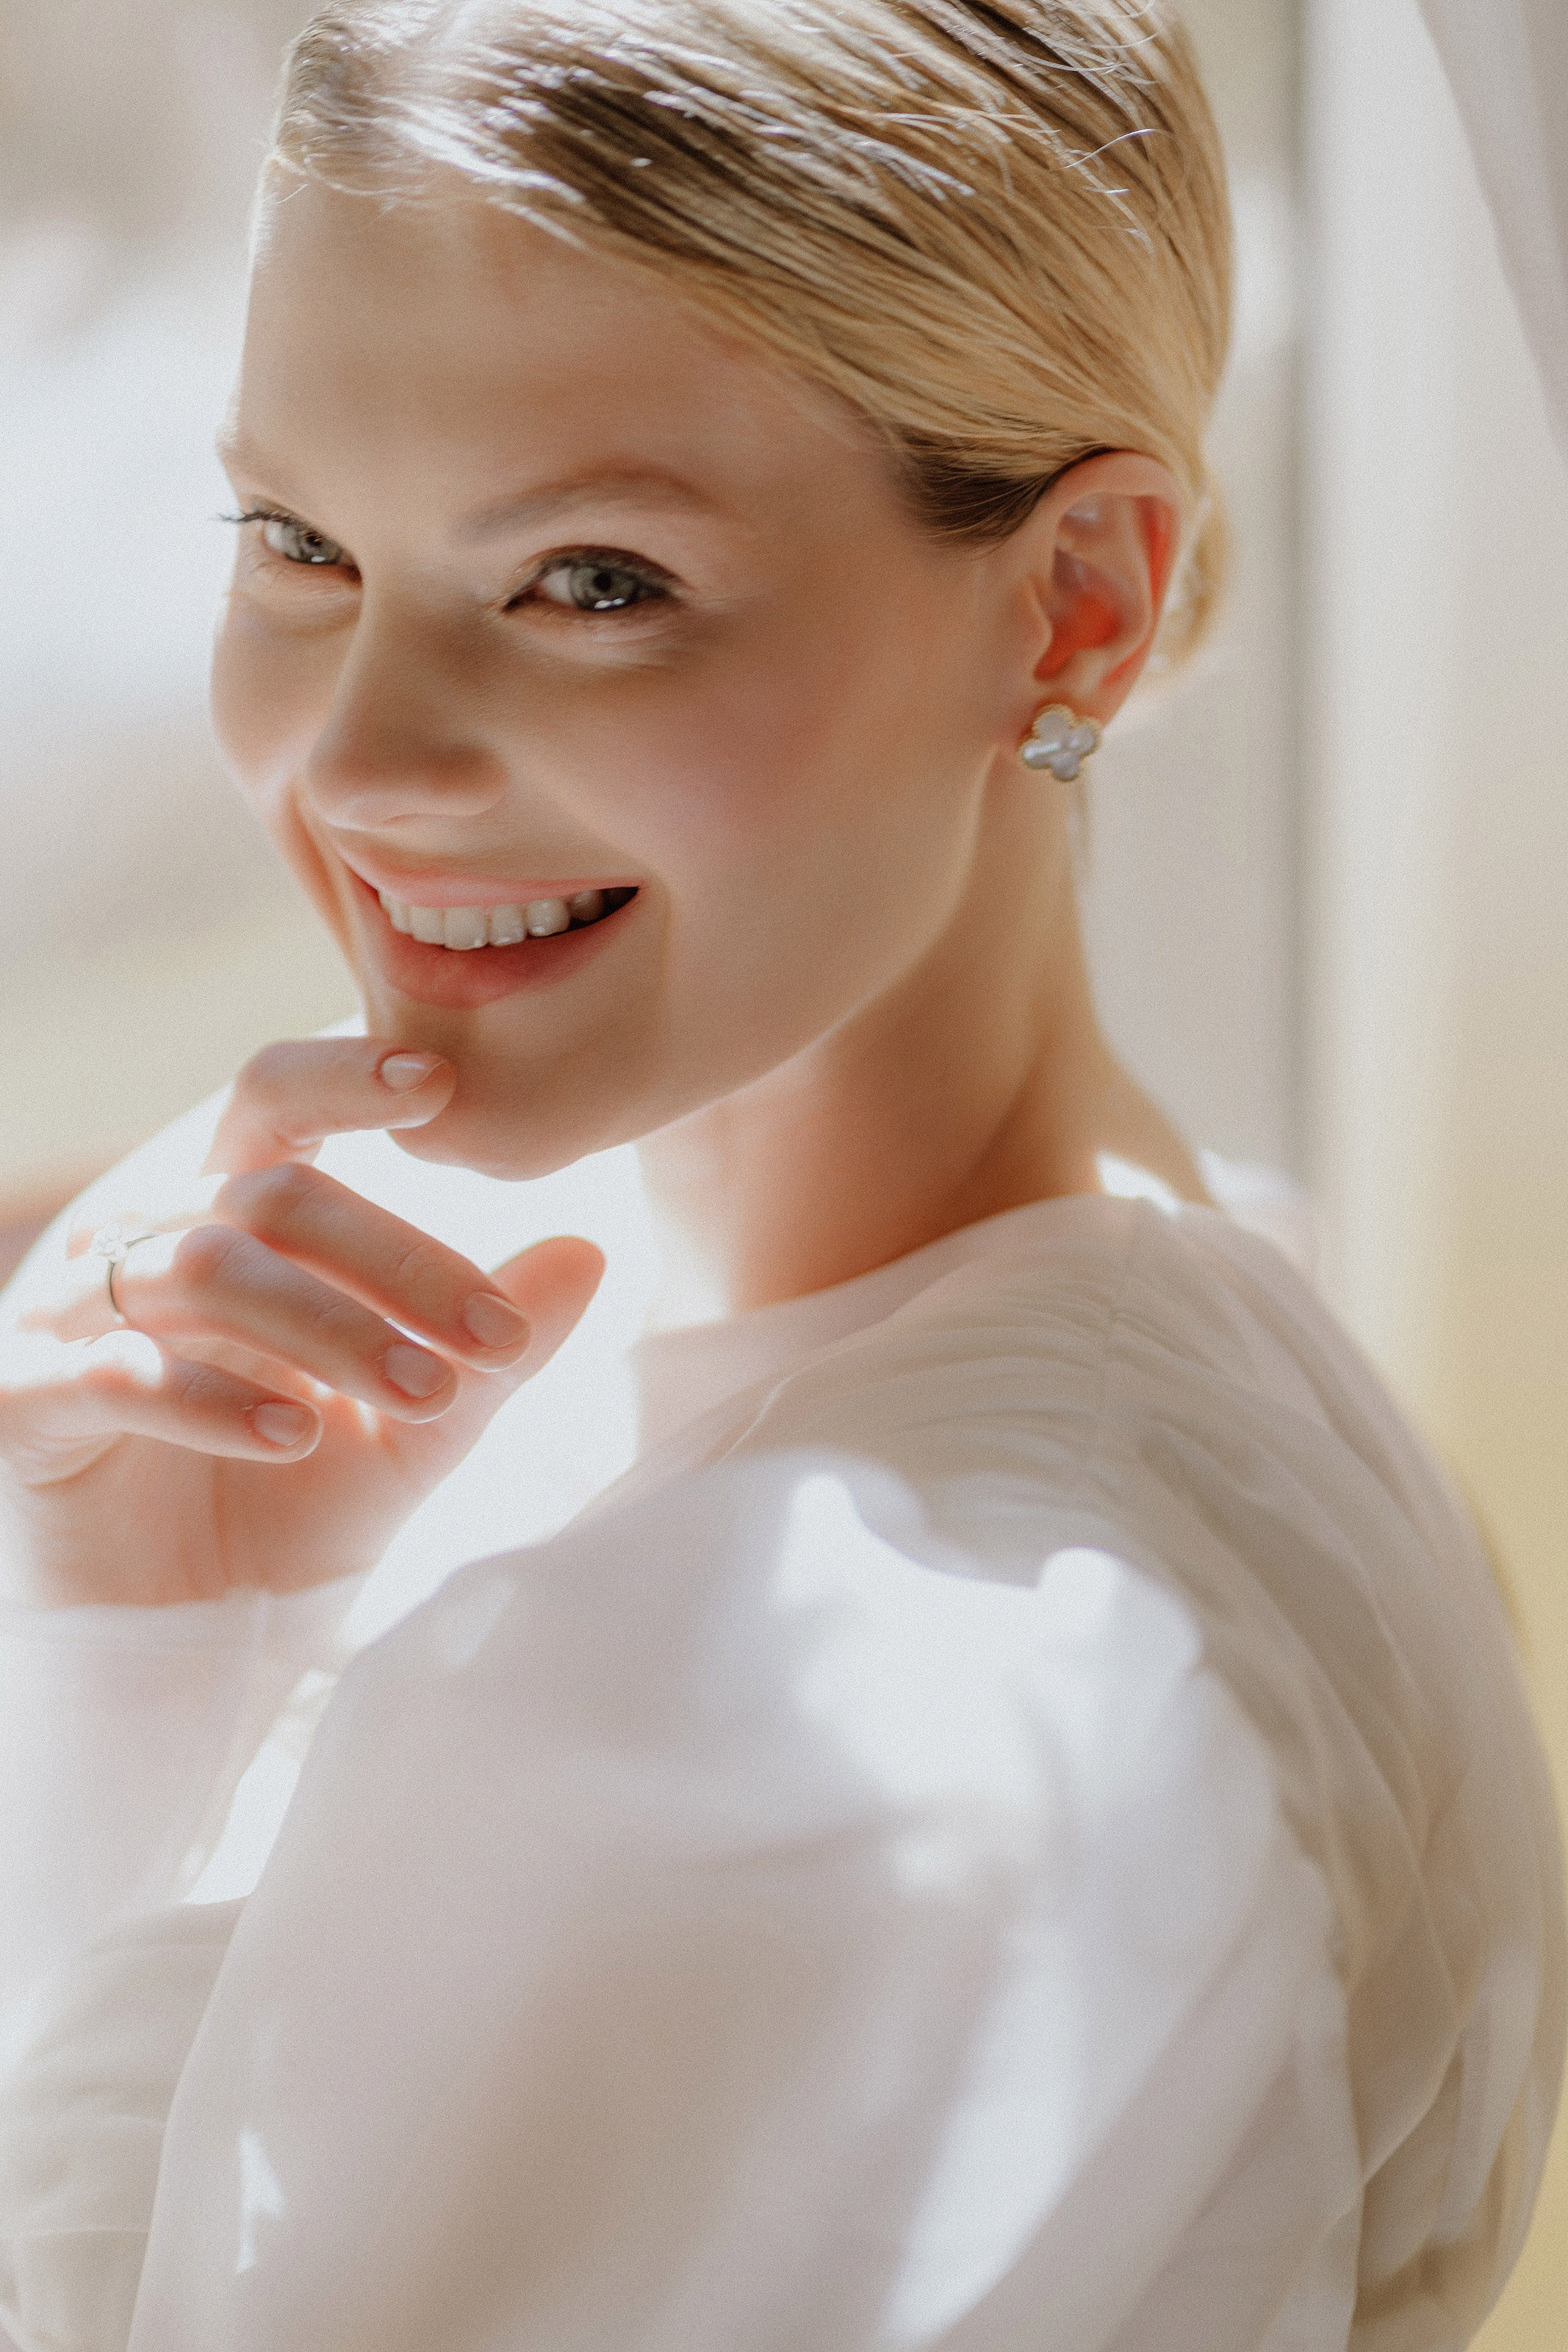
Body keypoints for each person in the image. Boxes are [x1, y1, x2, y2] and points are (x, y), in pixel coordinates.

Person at [0, 2, 1560, 2345]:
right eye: (299, 540)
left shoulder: (856, 1700)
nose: (364, 757)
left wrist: (144, 1713)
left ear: (1081, 607)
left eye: (594, 581)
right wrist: (152, 1623)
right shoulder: (1185, 1292)